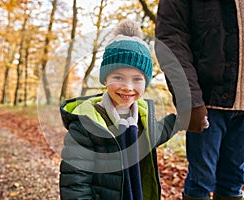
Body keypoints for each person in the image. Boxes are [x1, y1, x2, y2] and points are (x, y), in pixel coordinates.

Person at [155, 0, 244, 200]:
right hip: (206, 104)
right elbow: (171, 38)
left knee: (233, 183)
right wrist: (190, 99)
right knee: (201, 182)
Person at [59, 19, 177, 200]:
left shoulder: (142, 116)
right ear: (105, 79)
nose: (128, 87)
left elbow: (156, 134)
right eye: (118, 77)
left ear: (146, 82)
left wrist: (179, 120)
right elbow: (75, 182)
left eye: (137, 79)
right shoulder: (87, 122)